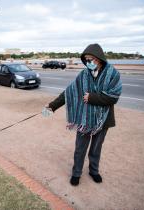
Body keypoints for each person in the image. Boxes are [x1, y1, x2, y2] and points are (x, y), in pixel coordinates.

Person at [43, 43, 122, 186]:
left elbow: (113, 97)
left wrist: (92, 97)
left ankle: (94, 171)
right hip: (84, 117)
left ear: (99, 59)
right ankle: (76, 173)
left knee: (96, 148)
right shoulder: (84, 74)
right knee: (80, 147)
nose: (88, 62)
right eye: (86, 59)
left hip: (103, 119)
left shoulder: (113, 74)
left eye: (91, 59)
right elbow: (69, 92)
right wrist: (52, 106)